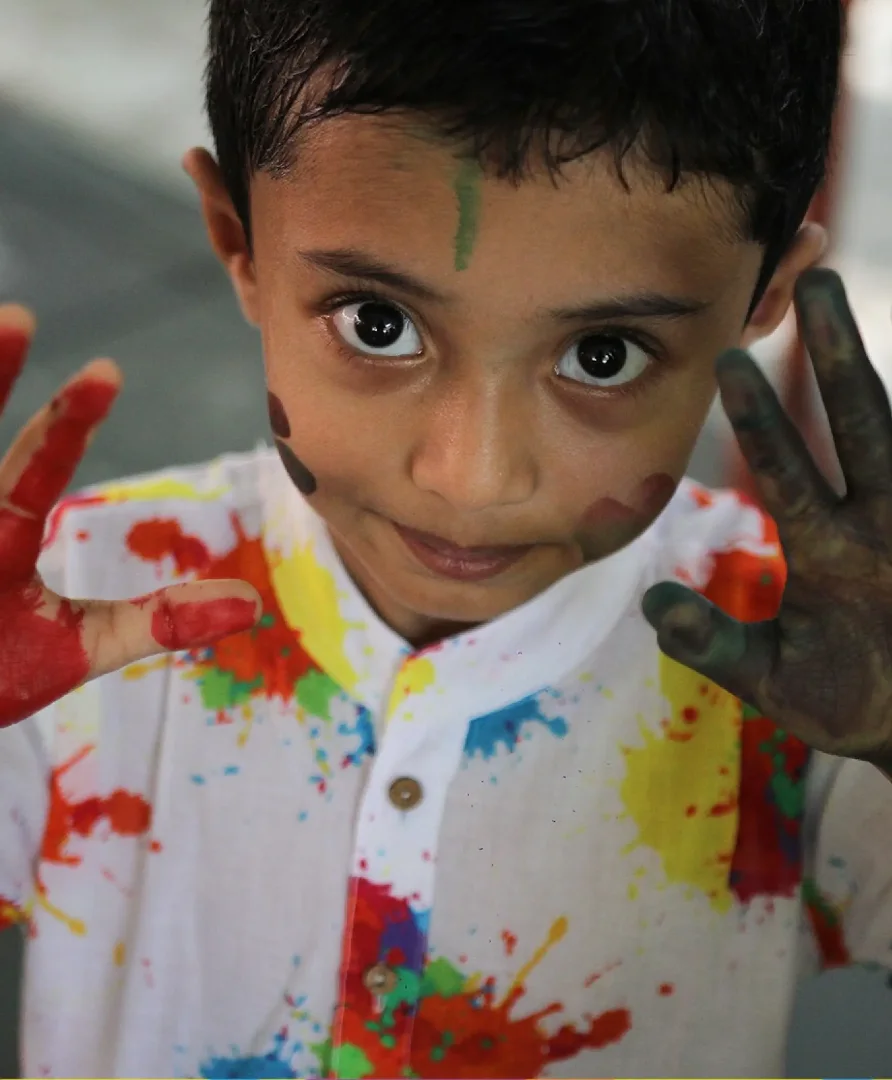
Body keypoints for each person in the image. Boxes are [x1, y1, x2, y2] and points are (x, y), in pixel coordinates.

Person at [1, 0, 886, 1076]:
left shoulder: (817, 673)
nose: (472, 480)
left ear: (764, 298)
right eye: (379, 323)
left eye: (603, 354)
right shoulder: (69, 612)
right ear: (236, 240)